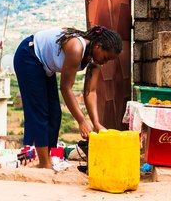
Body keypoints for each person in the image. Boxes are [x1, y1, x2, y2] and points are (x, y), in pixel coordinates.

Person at [13, 26, 123, 169]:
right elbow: (65, 88)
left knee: (54, 114)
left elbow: (91, 91)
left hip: (44, 66)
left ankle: (46, 160)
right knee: (40, 113)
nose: (105, 62)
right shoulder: (76, 48)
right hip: (28, 55)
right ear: (98, 46)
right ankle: (44, 164)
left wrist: (96, 123)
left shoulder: (94, 60)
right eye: (106, 57)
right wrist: (82, 121)